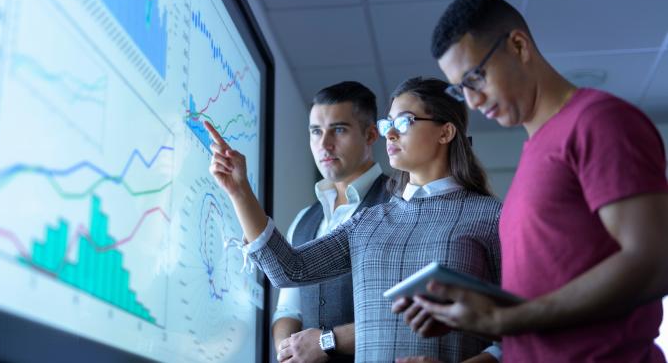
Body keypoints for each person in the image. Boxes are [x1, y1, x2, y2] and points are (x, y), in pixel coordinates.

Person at [396, 0, 668, 362]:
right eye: (460, 89)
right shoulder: (535, 153)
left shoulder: (599, 123)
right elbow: (549, 304)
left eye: (476, 77)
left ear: (519, 46)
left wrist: (505, 319)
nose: (471, 101)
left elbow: (653, 263)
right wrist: (473, 314)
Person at [205, 77, 503, 362]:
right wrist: (240, 190)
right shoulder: (369, 221)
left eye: (404, 121)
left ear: (445, 132)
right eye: (388, 123)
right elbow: (289, 270)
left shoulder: (492, 217)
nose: (390, 133)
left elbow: (519, 329)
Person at [272, 81, 391, 363]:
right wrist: (286, 352)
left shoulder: (400, 204)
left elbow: (404, 318)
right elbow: (289, 311)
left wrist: (326, 342)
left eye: (339, 129)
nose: (324, 144)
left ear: (371, 134)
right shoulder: (303, 220)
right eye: (316, 131)